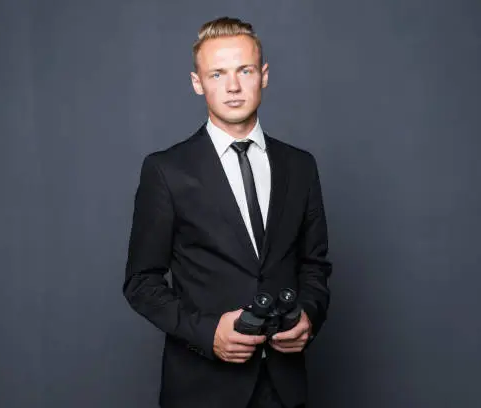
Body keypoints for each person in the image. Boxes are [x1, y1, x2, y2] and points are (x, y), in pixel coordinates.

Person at [123, 16, 331, 408]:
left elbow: (314, 264)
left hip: (285, 388)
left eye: (244, 71)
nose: (233, 87)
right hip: (203, 389)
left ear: (263, 75)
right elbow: (141, 283)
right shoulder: (167, 170)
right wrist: (207, 333)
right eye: (217, 74)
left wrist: (308, 316)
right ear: (197, 82)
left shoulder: (300, 166)